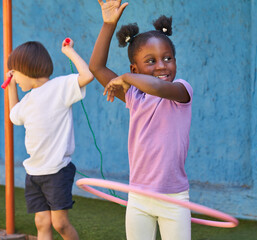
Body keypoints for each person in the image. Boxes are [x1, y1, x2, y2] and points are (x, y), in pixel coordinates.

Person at [89, 1, 193, 239]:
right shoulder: (134, 96)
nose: (161, 66)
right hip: (138, 196)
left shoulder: (181, 91)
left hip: (173, 198)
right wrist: (108, 25)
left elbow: (157, 87)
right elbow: (96, 66)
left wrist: (125, 77)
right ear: (134, 69)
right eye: (151, 61)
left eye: (167, 58)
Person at [7, 39, 94, 240]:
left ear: (26, 69)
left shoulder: (59, 87)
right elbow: (14, 116)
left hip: (56, 171)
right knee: (41, 222)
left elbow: (87, 75)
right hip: (34, 172)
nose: (15, 78)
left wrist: (69, 51)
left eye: (15, 72)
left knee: (60, 224)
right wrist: (11, 87)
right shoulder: (28, 99)